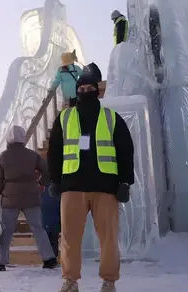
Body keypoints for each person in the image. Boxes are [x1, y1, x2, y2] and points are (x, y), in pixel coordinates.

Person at [47, 74, 135, 292]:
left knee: (109, 238)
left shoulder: (111, 118)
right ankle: (70, 281)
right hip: (72, 186)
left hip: (105, 187)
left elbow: (125, 151)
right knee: (69, 237)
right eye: (82, 88)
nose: (85, 91)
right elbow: (55, 151)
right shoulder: (64, 118)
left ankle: (109, 281)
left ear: (97, 91)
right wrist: (54, 180)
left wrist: (125, 182)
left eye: (89, 87)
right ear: (76, 92)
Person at [0, 125, 58, 271]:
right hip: (31, 197)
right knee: (38, 228)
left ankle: (0, 262)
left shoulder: (3, 157)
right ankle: (49, 258)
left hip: (10, 199)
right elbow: (48, 171)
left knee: (7, 230)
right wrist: (41, 182)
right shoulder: (32, 155)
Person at [40, 184, 61, 258]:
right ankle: (52, 257)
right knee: (53, 238)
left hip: (47, 217)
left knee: (49, 238)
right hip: (53, 217)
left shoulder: (42, 185)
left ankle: (50, 257)